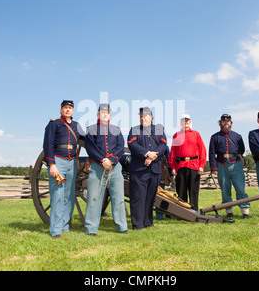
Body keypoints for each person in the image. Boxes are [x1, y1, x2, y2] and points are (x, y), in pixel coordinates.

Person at [84, 103, 128, 236]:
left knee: (118, 197)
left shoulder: (116, 129)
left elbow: (121, 146)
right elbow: (90, 148)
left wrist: (112, 160)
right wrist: (103, 160)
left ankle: (121, 226)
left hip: (115, 167)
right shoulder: (91, 129)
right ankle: (91, 228)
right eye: (102, 112)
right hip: (98, 166)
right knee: (93, 197)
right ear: (98, 114)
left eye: (107, 112)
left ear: (110, 115)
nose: (104, 114)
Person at [43, 100, 85, 238]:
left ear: (73, 111)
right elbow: (48, 144)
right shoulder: (54, 124)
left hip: (72, 162)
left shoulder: (76, 126)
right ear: (61, 110)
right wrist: (52, 164)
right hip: (58, 161)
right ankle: (55, 230)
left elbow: (86, 140)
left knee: (69, 196)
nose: (68, 110)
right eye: (65, 108)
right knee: (58, 196)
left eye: (70, 108)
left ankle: (65, 226)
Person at [127, 107, 168, 230]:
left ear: (151, 117)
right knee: (138, 197)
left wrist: (152, 156)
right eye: (140, 116)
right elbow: (132, 144)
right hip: (139, 170)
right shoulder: (134, 130)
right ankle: (138, 224)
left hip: (154, 169)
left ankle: (148, 222)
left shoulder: (159, 130)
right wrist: (146, 153)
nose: (142, 118)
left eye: (145, 116)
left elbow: (164, 145)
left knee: (151, 197)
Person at [209, 114, 250, 219]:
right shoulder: (214, 137)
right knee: (225, 189)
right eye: (223, 121)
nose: (226, 123)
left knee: (240, 188)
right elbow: (211, 153)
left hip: (236, 163)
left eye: (228, 121)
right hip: (221, 164)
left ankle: (245, 211)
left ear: (231, 123)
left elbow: (241, 149)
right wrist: (213, 167)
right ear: (220, 123)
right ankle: (229, 211)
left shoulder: (237, 136)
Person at [168, 114, 206, 211]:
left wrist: (201, 166)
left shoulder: (196, 134)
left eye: (187, 121)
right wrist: (173, 167)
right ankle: (183, 212)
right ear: (181, 123)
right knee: (181, 191)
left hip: (194, 165)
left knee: (194, 191)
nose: (186, 123)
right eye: (183, 121)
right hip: (181, 166)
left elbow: (202, 150)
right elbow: (173, 152)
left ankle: (194, 212)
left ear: (190, 122)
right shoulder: (176, 135)